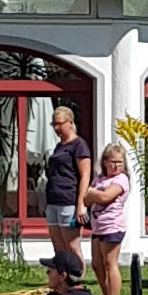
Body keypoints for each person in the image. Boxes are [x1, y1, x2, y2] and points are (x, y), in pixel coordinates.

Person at [86, 139, 136, 295]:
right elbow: (85, 200)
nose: (116, 166)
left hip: (112, 226)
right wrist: (93, 194)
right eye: (113, 162)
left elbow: (105, 197)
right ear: (105, 162)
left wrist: (93, 193)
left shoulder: (121, 179)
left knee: (110, 263)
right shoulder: (99, 179)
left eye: (120, 163)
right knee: (96, 263)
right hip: (97, 226)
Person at [39, 100, 87, 262]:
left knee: (72, 246)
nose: (56, 128)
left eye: (59, 124)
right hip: (53, 200)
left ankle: (77, 282)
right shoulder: (59, 146)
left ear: (70, 122)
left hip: (69, 201)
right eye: (54, 124)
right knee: (58, 247)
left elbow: (85, 175)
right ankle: (63, 282)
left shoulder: (79, 145)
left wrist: (81, 204)